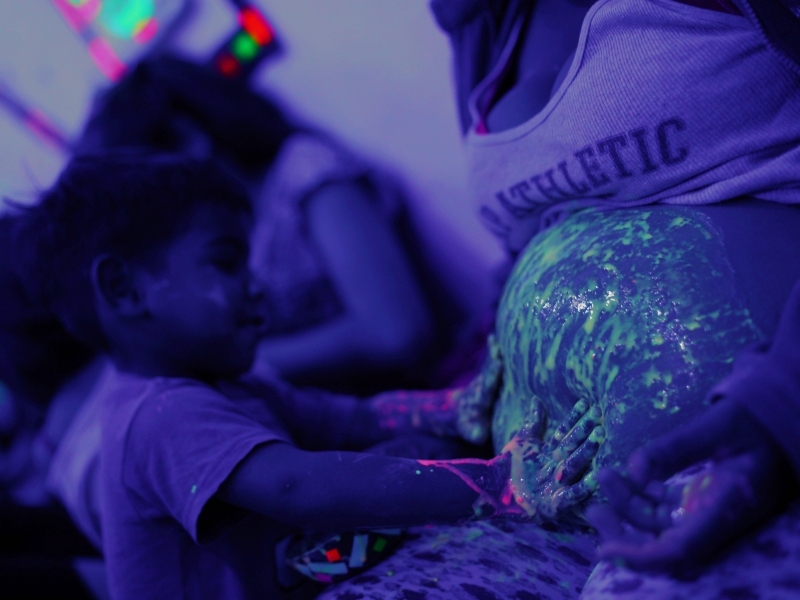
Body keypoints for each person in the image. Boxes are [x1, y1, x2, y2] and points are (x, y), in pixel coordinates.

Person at [12, 151, 604, 599]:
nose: (255, 283)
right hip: (277, 578)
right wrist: (501, 484)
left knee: (418, 446)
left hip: (284, 571)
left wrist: (448, 407)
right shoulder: (157, 417)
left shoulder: (223, 379)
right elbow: (300, 486)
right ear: (125, 289)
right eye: (224, 261)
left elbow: (347, 417)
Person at [75, 54, 458, 395]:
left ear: (188, 139)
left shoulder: (304, 173)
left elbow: (397, 333)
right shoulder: (224, 233)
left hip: (445, 394)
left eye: (147, 193)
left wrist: (233, 362)